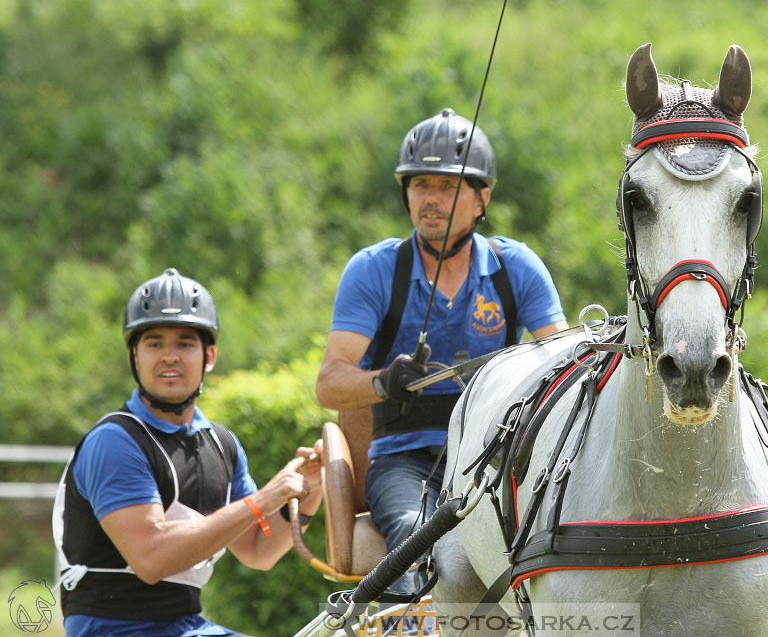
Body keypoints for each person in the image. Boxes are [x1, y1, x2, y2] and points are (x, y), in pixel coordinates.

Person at [315, 108, 568, 592]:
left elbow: (560, 362)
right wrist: (383, 381)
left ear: (482, 199)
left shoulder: (515, 267)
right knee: (417, 537)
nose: (431, 199)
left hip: (494, 460)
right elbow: (329, 383)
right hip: (404, 462)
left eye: (447, 187)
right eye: (420, 185)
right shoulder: (372, 270)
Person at [53, 268, 324, 637]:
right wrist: (262, 500)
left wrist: (310, 491)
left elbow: (258, 551)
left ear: (208, 356)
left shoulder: (221, 445)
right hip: (112, 628)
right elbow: (151, 558)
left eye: (184, 343)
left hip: (185, 626)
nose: (169, 356)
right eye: (154, 343)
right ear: (134, 355)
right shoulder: (114, 441)